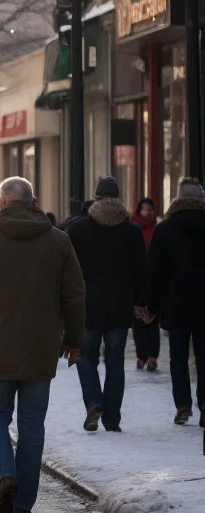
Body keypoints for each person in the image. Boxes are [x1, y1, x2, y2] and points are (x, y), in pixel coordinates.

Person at [0, 177, 85, 513]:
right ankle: (24, 503)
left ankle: (5, 476)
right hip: (41, 348)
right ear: (32, 201)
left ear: (1, 200)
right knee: (32, 426)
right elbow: (74, 294)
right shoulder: (58, 240)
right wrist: (73, 340)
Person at [67, 176, 149, 433]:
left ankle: (93, 401)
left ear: (96, 197)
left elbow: (69, 271)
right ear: (119, 197)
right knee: (115, 362)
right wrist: (141, 302)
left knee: (84, 356)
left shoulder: (78, 229)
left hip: (87, 306)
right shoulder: (132, 231)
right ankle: (112, 418)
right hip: (119, 306)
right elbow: (141, 271)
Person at [147, 178, 205, 426]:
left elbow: (155, 272)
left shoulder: (164, 230)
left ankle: (183, 404)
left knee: (178, 357)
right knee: (204, 357)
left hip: (175, 304)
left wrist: (150, 305)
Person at [131, 197, 160, 371]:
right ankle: (141, 355)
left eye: (150, 209)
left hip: (153, 279)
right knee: (138, 319)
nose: (147, 212)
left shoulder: (158, 230)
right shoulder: (133, 229)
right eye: (144, 209)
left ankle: (152, 356)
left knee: (152, 318)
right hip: (136, 279)